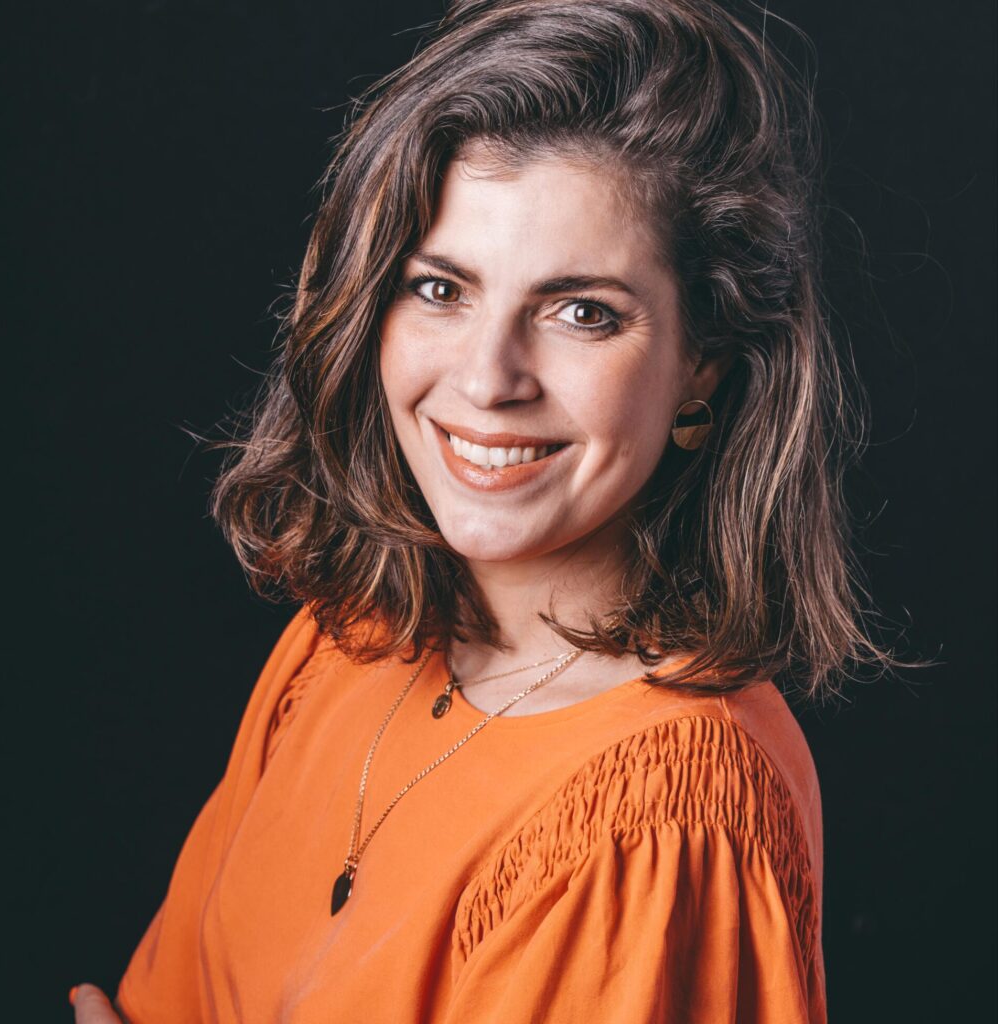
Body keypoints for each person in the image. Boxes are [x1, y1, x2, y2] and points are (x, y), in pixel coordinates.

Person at [70, 1, 900, 1020]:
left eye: (581, 312)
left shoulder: (659, 823)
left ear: (703, 365)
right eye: (440, 289)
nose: (486, 379)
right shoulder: (343, 641)